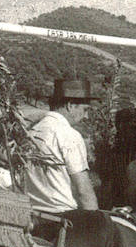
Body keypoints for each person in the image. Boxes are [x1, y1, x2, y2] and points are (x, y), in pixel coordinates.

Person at [22, 77, 100, 216]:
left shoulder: (33, 131)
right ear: (70, 105)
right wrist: (97, 221)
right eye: (85, 109)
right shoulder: (69, 135)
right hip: (62, 218)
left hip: (33, 215)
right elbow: (83, 191)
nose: (86, 116)